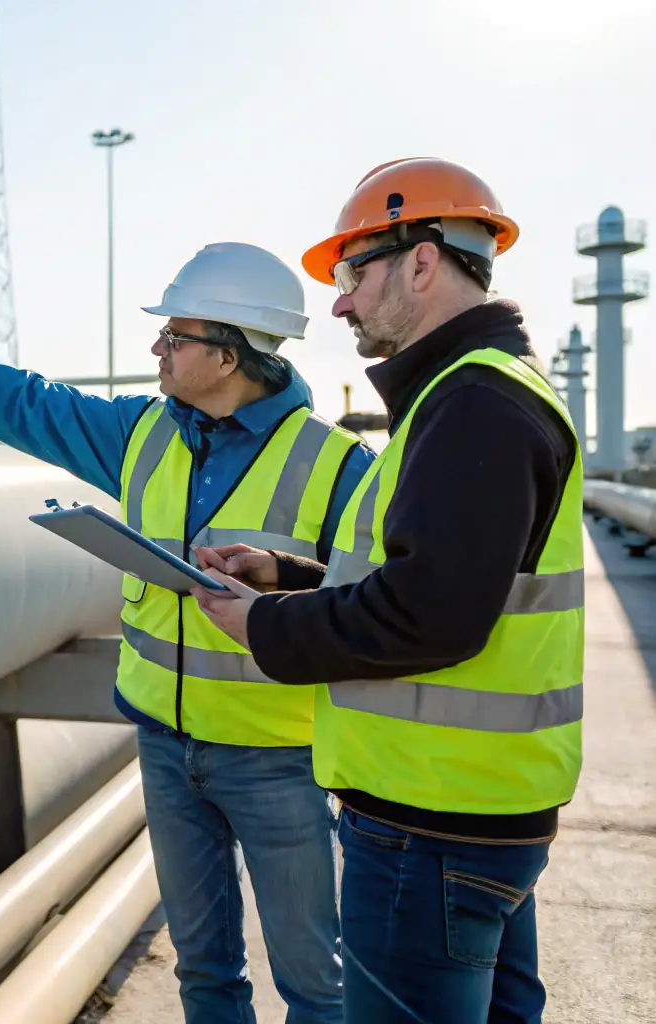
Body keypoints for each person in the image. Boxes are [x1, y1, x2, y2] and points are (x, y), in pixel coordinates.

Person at [0, 242, 377, 1024]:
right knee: (204, 971)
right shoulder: (142, 435)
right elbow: (26, 403)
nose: (156, 348)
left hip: (278, 758)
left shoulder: (337, 465)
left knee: (314, 983)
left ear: (227, 355)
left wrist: (280, 580)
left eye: (174, 336)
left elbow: (372, 603)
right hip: (161, 742)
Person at [192, 159, 584, 1024]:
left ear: (420, 260)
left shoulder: (474, 402)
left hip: (429, 823)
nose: (338, 302)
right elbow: (430, 576)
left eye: (350, 271)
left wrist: (265, 627)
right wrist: (286, 575)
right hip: (467, 809)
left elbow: (428, 617)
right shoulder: (470, 393)